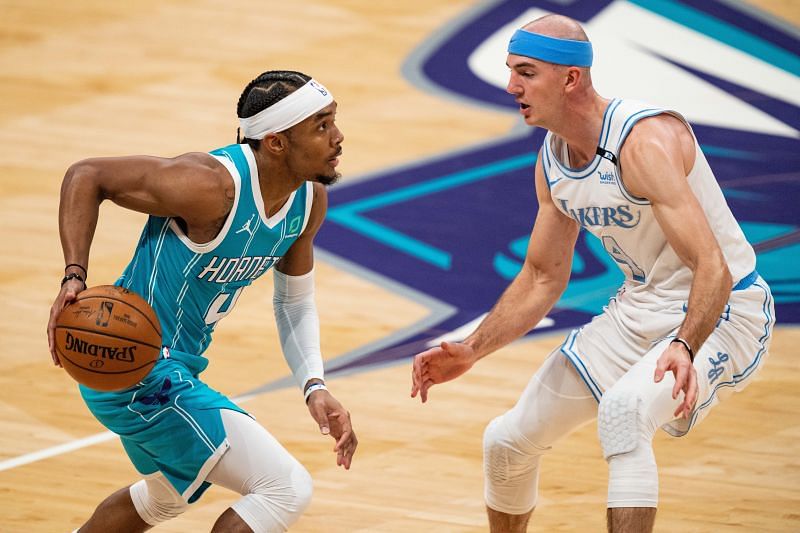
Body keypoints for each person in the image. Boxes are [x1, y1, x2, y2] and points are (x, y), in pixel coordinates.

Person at [410, 15, 774, 533]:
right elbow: (542, 277)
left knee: (625, 415)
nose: (511, 85)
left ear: (571, 79)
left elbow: (711, 265)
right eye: (511, 70)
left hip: (723, 311)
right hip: (640, 309)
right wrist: (472, 348)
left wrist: (686, 345)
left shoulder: (643, 143)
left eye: (526, 72)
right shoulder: (553, 160)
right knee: (507, 442)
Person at [46, 70, 357, 533]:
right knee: (284, 487)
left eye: (333, 121)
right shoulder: (208, 186)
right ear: (275, 142)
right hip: (135, 363)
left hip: (172, 365)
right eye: (321, 126)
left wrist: (314, 385)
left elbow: (293, 302)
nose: (337, 137)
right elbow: (86, 175)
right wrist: (74, 275)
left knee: (165, 498)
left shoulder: (308, 200)